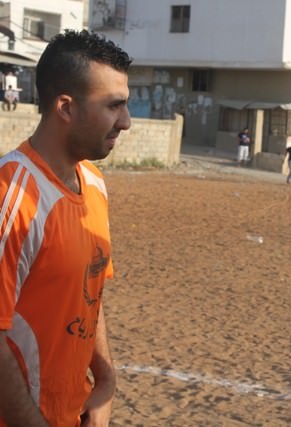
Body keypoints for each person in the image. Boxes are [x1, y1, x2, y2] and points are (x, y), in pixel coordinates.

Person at [0, 29, 131, 427]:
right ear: (65, 107)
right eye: (114, 106)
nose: (125, 122)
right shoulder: (12, 195)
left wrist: (105, 379)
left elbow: (89, 292)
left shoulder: (93, 183)